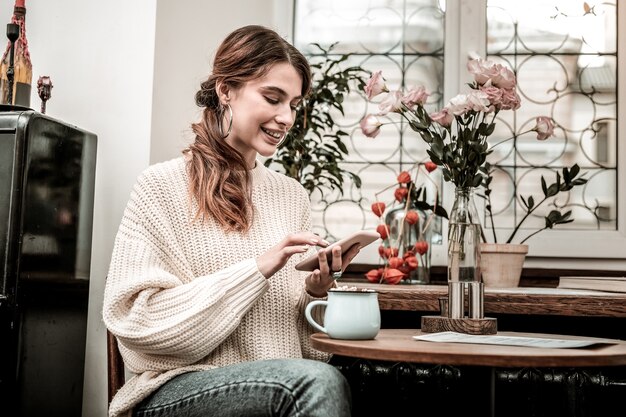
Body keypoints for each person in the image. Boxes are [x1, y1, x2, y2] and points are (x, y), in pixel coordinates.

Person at [103, 25, 360, 417]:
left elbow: (310, 355)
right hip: (174, 390)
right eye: (272, 98)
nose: (286, 117)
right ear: (226, 90)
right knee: (313, 384)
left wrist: (316, 292)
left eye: (293, 104)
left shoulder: (291, 196)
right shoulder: (160, 186)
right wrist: (256, 270)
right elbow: (136, 329)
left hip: (278, 387)